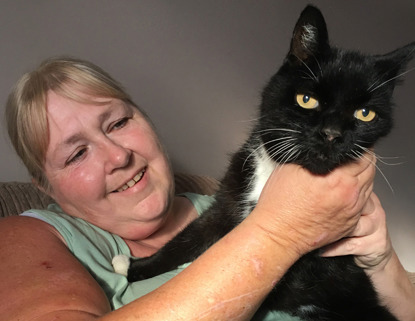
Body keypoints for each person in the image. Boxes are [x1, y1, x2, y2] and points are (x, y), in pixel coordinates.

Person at [0, 56, 413, 321]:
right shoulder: (26, 238)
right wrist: (281, 231)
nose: (117, 156)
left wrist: (382, 263)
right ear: (46, 186)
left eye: (119, 123)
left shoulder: (224, 195)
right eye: (76, 155)